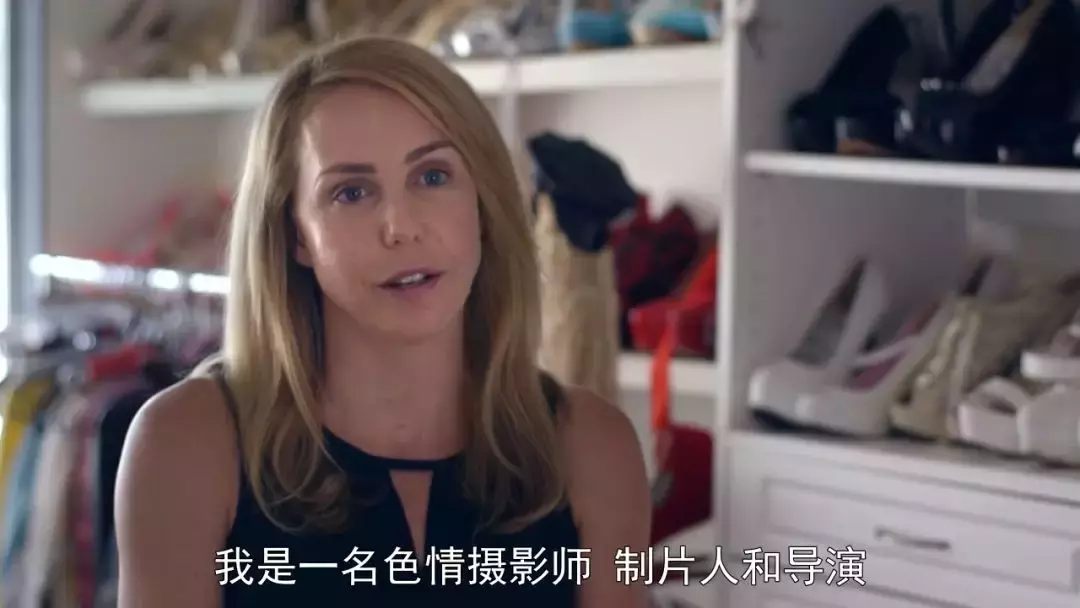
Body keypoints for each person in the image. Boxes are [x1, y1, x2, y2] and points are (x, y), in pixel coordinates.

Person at [114, 35, 651, 607]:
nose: (401, 227)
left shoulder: (592, 449)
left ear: (482, 203)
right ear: (296, 235)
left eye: (433, 177)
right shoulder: (189, 444)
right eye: (351, 192)